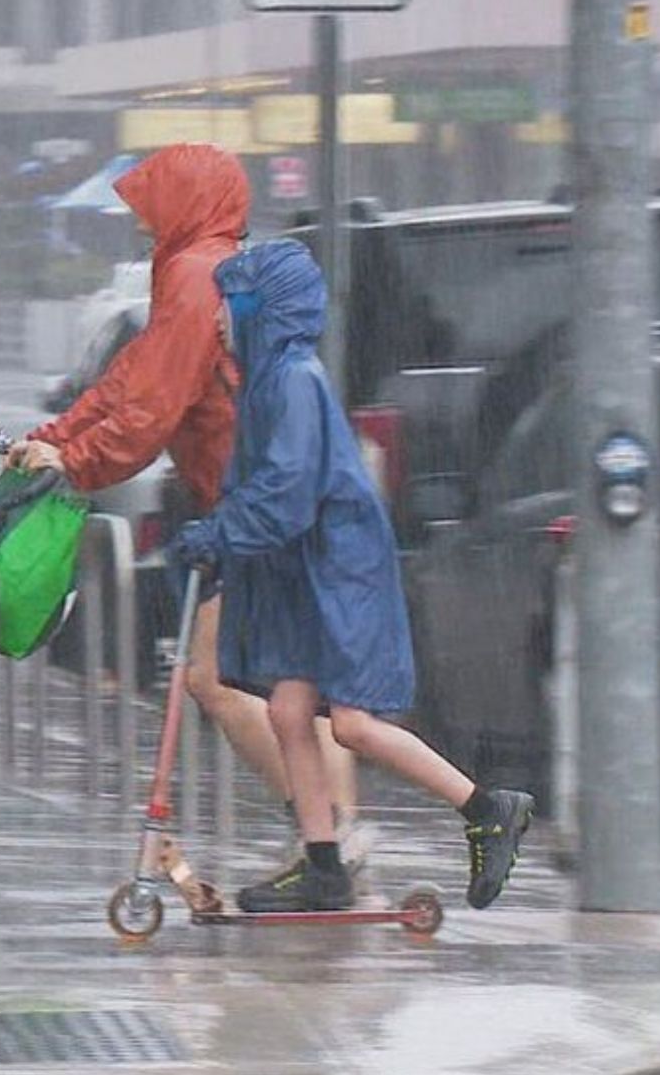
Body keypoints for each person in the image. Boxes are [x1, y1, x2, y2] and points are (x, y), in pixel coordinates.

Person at [5, 142, 363, 872]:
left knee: (219, 681)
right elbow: (130, 379)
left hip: (258, 512)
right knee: (291, 688)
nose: (139, 215)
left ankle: (330, 837)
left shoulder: (198, 276)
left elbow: (152, 406)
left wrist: (75, 460)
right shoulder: (195, 270)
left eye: (152, 199)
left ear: (186, 202)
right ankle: (333, 839)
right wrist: (56, 438)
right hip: (263, 507)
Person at [169, 238, 533, 913]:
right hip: (312, 569)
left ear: (261, 307)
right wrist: (224, 531)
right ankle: (323, 862)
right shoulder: (270, 379)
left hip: (341, 570)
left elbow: (288, 489)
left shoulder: (292, 380)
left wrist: (221, 533)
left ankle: (488, 809)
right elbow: (266, 486)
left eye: (228, 302)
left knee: (353, 725)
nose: (217, 317)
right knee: (287, 710)